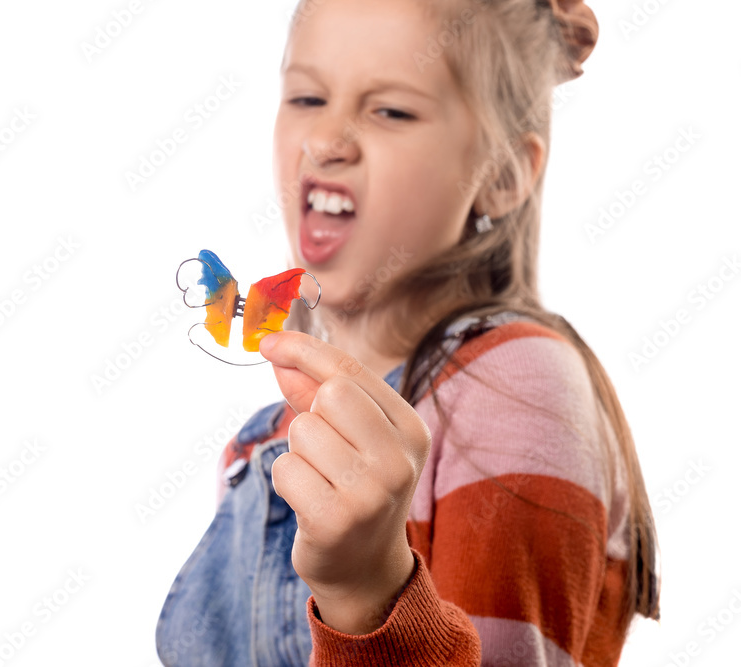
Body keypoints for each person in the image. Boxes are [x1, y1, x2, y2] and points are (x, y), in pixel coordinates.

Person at [156, 0, 661, 664]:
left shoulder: (515, 384)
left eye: (391, 110)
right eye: (307, 97)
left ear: (502, 174)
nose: (326, 140)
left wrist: (367, 593)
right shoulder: (258, 446)